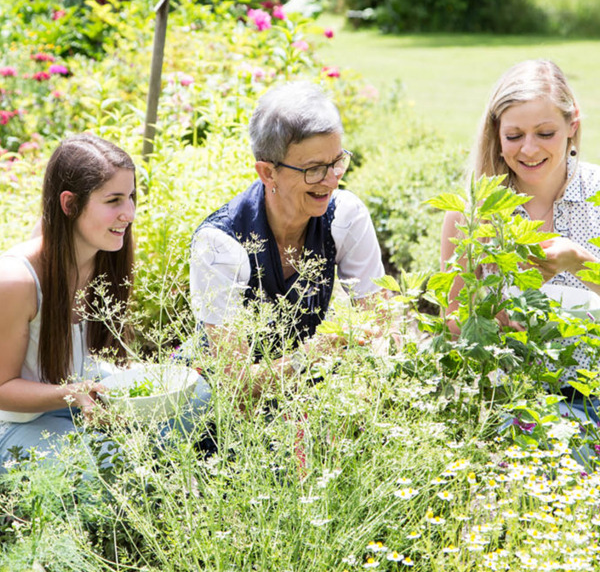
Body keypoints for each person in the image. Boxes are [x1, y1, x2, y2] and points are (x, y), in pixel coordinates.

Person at [0, 134, 210, 472]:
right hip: (19, 423)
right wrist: (70, 393)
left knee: (198, 392)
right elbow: (2, 389)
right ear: (69, 205)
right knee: (108, 460)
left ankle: (144, 470)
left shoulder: (105, 254)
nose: (128, 214)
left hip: (85, 402)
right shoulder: (15, 279)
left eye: (131, 197)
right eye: (113, 200)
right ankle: (135, 470)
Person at [190, 82, 385, 396]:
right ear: (267, 173)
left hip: (308, 392)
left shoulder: (346, 217)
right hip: (222, 412)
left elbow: (382, 321)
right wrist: (310, 356)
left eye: (337, 162)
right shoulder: (219, 245)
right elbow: (234, 384)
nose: (334, 179)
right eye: (315, 169)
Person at [440, 59, 600, 425]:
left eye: (546, 134)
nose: (529, 150)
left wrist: (578, 261)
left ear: (572, 125)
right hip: (510, 402)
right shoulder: (472, 214)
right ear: (496, 135)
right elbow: (453, 325)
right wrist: (492, 317)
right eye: (514, 136)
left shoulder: (597, 195)